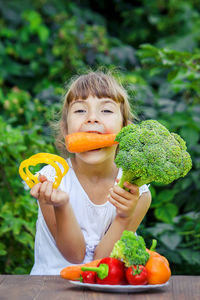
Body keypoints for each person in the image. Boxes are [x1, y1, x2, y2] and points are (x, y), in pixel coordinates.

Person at [30, 70, 151, 275]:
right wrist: (61, 205)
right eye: (79, 111)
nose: (92, 118)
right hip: (48, 288)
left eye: (106, 110)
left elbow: (102, 263)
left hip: (107, 288)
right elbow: (74, 256)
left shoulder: (136, 191)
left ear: (125, 130)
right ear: (66, 130)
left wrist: (124, 216)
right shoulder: (51, 179)